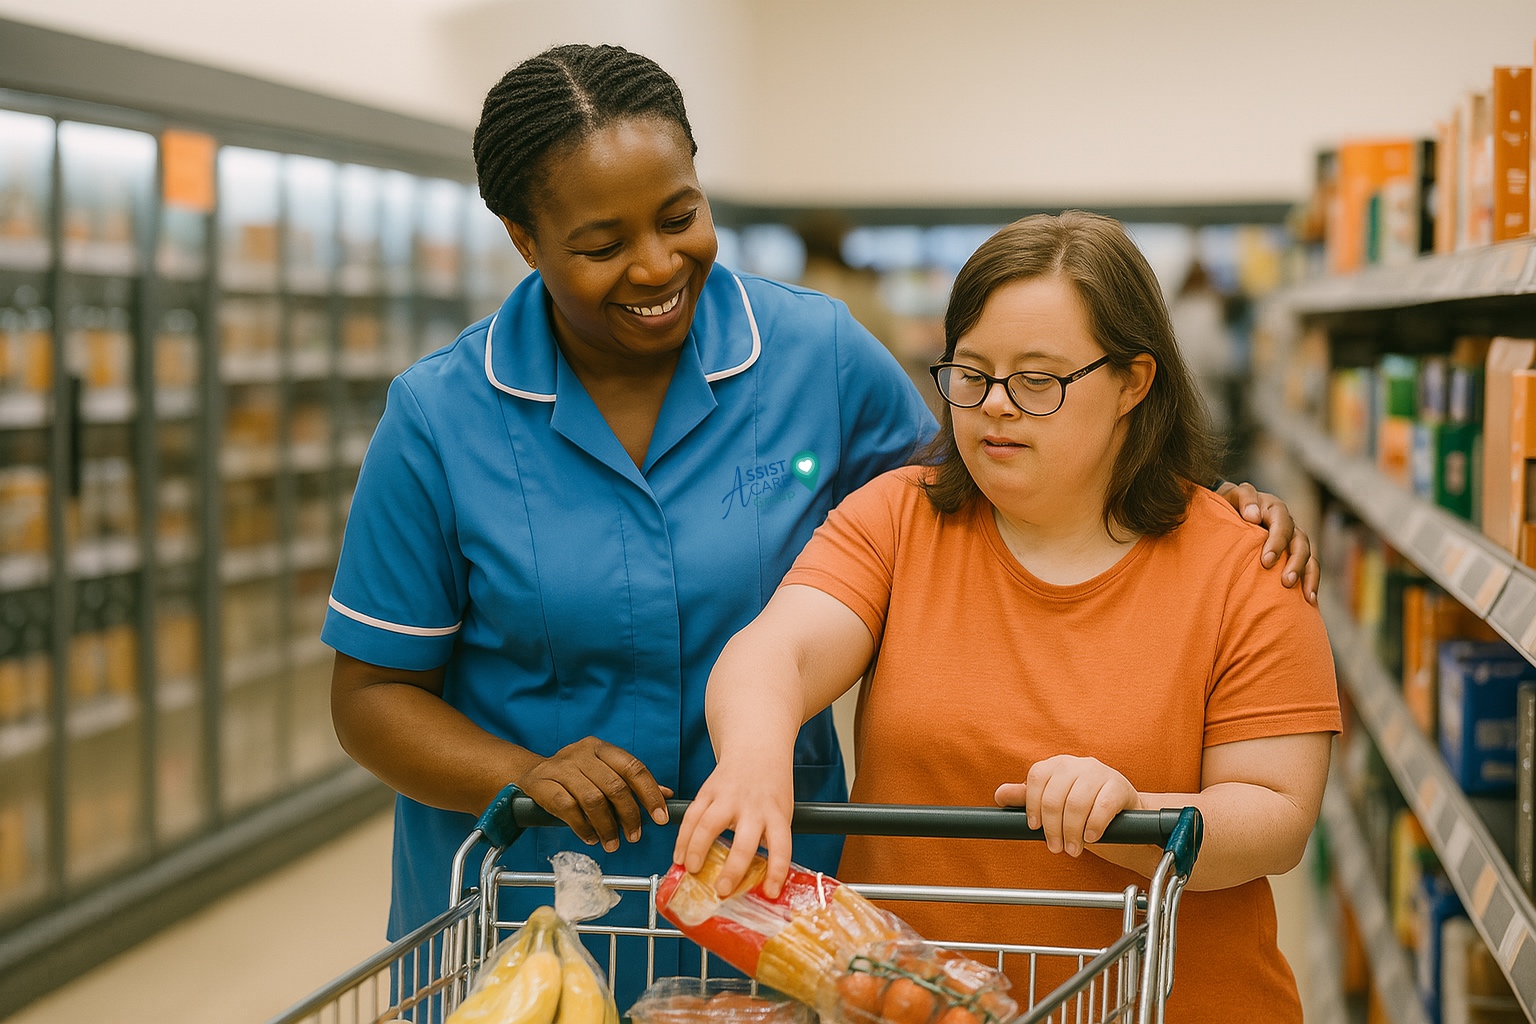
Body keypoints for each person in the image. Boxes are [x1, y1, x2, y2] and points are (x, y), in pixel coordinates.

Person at [321, 43, 1317, 999]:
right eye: (602, 245)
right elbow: (371, 693)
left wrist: (1202, 509)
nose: (657, 264)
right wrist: (524, 776)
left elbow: (995, 474)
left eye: (681, 216)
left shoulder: (815, 356)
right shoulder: (440, 417)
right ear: (524, 241)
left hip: (776, 900)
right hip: (528, 894)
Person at [674, 212, 1340, 1023]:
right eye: (972, 373)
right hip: (918, 1006)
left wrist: (1133, 816)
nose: (995, 407)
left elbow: (1276, 815)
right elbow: (776, 651)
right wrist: (752, 756)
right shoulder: (899, 519)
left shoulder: (1246, 564)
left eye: (1036, 380)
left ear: (1134, 381)